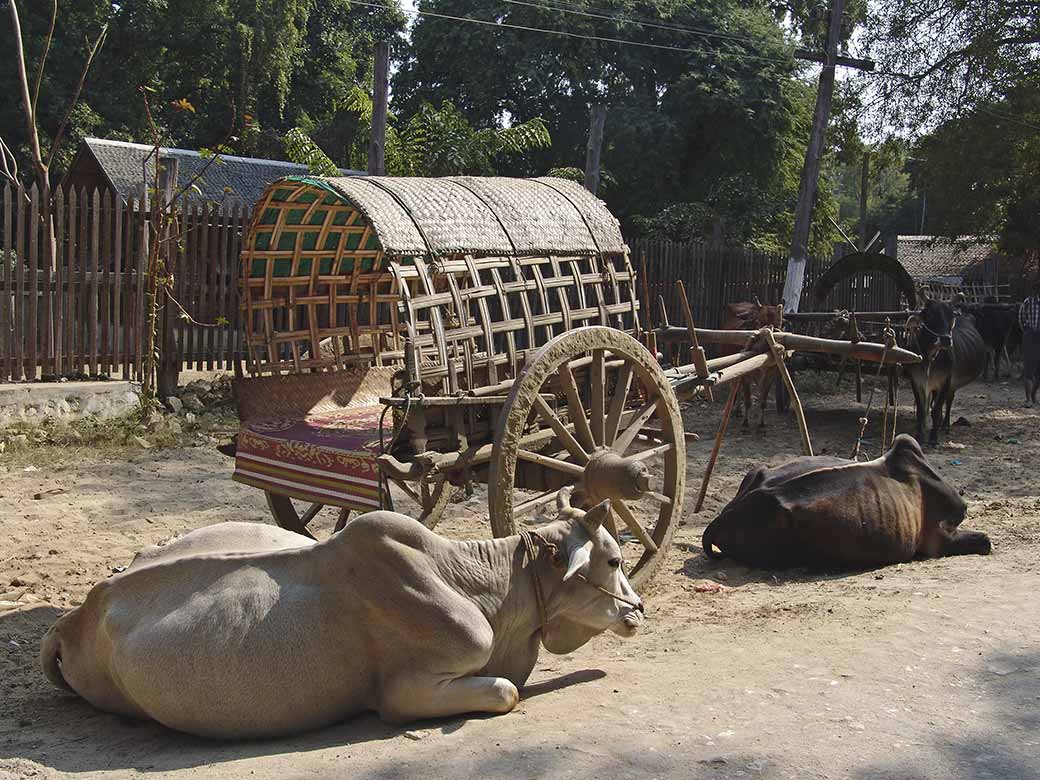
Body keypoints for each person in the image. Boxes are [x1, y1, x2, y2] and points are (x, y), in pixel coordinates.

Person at [1019, 280, 1040, 405]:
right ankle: (1028, 399)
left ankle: (1033, 395)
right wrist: (1027, 331)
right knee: (1029, 369)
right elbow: (1021, 318)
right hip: (1030, 337)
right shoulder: (1028, 302)